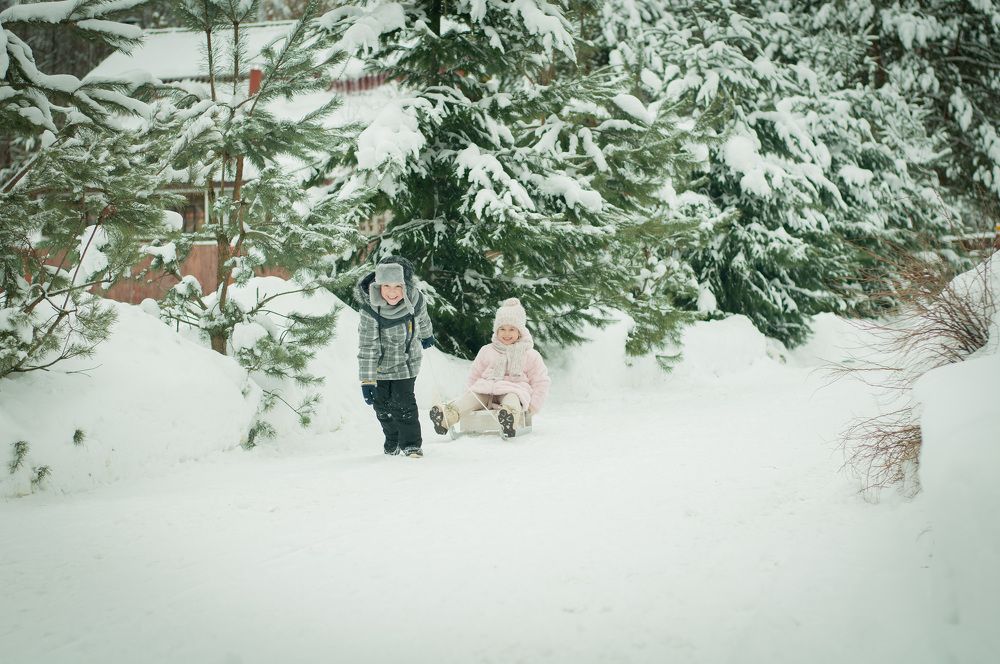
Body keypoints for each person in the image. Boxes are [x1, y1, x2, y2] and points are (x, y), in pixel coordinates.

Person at [429, 298, 550, 438]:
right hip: (486, 389)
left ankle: (508, 419)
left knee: (512, 400)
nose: (506, 333)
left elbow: (541, 381)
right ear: (496, 331)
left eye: (512, 329)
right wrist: (469, 393)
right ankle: (446, 418)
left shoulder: (529, 354)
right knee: (470, 399)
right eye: (502, 329)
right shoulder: (487, 350)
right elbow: (474, 374)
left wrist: (533, 406)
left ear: (520, 331)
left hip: (514, 389)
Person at [356, 255, 435, 457]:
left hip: (406, 363)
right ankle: (393, 438)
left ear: (406, 285)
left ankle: (410, 444)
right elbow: (367, 345)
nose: (392, 292)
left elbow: (423, 319)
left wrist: (427, 335)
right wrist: (367, 380)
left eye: (398, 286)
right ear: (377, 285)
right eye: (386, 286)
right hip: (380, 367)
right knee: (381, 406)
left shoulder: (415, 300)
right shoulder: (371, 309)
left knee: (403, 403)